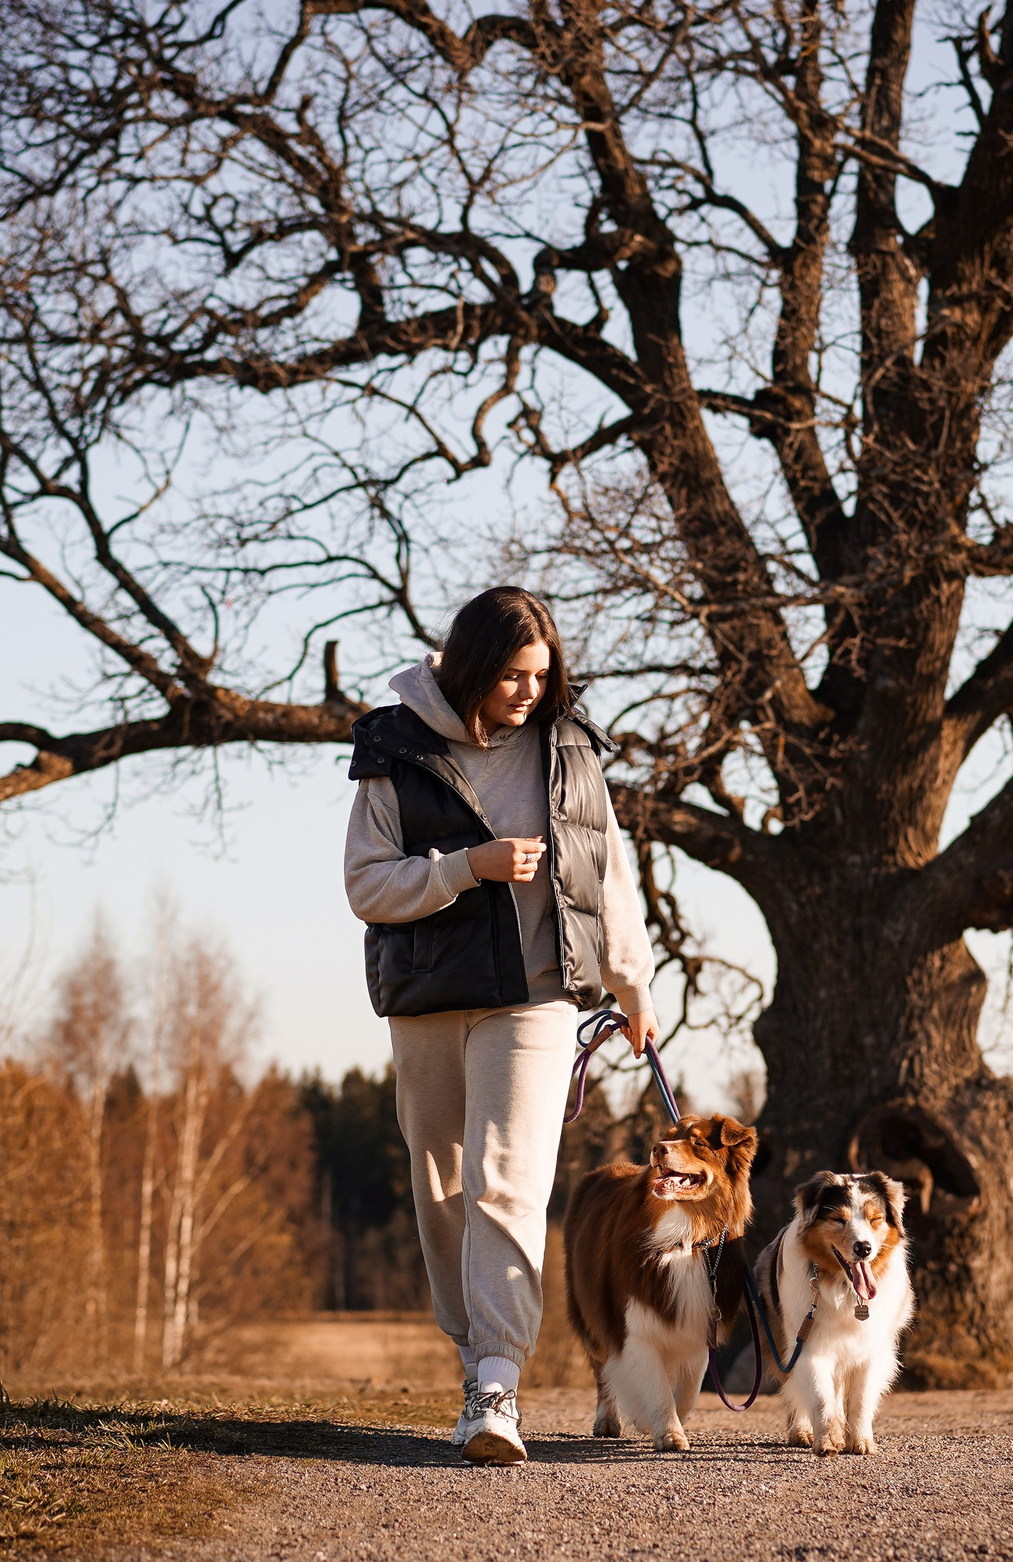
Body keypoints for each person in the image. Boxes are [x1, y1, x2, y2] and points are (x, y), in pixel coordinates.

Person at [343, 586, 657, 1465]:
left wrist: (634, 988)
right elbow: (366, 884)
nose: (528, 691)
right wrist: (463, 869)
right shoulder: (394, 745)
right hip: (430, 999)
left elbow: (609, 873)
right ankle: (471, 1351)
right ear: (471, 664)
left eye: (541, 675)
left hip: (539, 995)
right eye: (513, 674)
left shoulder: (571, 751)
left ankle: (497, 1384)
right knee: (441, 1184)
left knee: (508, 1181)